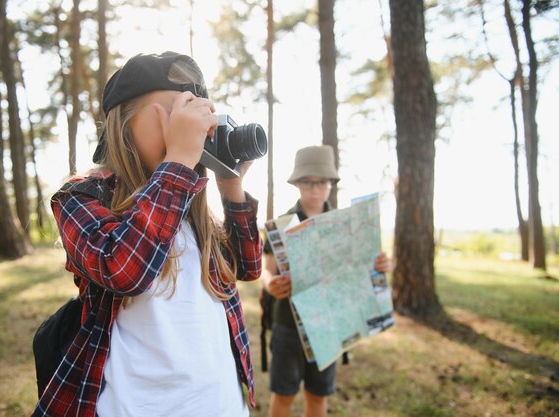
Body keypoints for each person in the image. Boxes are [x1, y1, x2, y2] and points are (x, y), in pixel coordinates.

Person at [32, 51, 263, 417]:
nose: (193, 130)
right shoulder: (82, 197)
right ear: (124, 123)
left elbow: (248, 267)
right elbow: (125, 270)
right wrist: (178, 161)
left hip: (219, 404)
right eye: (177, 113)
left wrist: (230, 185)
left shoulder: (187, 206)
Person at [262, 145, 392, 417]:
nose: (315, 189)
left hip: (330, 324)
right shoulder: (282, 225)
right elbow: (266, 269)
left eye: (321, 182)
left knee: (318, 395)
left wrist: (381, 266)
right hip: (288, 323)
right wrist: (269, 283)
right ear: (297, 184)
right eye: (307, 182)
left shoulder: (346, 224)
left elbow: (361, 267)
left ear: (331, 184)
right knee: (284, 394)